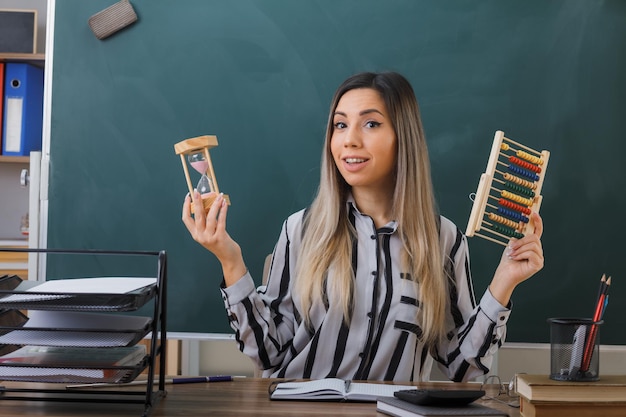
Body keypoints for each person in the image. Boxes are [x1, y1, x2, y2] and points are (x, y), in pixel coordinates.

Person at [182, 71, 544, 382]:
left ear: (402, 137)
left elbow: (463, 369)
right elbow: (269, 354)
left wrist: (504, 282)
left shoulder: (443, 240)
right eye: (340, 124)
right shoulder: (301, 230)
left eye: (370, 123)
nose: (350, 139)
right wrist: (230, 260)